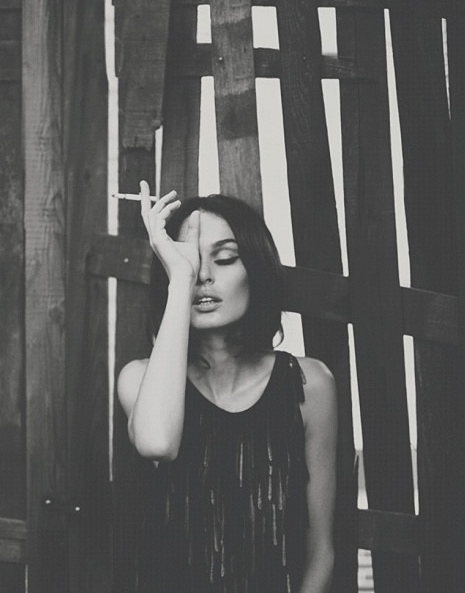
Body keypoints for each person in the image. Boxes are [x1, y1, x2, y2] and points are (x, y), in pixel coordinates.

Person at [117, 181, 338, 593]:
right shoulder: (138, 380)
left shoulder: (311, 385)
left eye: (224, 258)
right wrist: (179, 281)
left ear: (256, 269)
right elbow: (158, 443)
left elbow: (321, 550)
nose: (203, 275)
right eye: (188, 261)